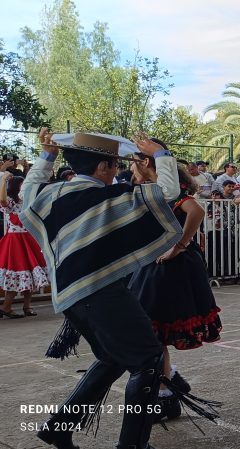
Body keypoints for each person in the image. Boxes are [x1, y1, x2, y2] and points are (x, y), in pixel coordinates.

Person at [25, 130, 189, 449]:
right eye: (113, 165)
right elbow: (168, 190)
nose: (116, 170)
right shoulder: (109, 198)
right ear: (102, 167)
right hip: (101, 293)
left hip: (70, 297)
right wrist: (161, 155)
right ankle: (133, 446)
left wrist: (46, 157)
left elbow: (29, 189)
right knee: (149, 361)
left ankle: (59, 427)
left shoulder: (49, 195)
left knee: (114, 358)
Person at [127, 149, 222, 422]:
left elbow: (196, 210)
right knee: (151, 333)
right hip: (157, 265)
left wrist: (179, 246)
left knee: (152, 332)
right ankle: (171, 379)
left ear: (146, 164)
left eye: (134, 165)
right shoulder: (154, 192)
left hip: (168, 269)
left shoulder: (169, 194)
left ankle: (166, 394)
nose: (132, 171)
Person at [0, 171, 48, 319]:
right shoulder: (11, 201)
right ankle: (6, 307)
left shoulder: (27, 200)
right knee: (17, 272)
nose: (24, 188)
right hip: (15, 240)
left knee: (31, 274)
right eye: (22, 186)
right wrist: (3, 180)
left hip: (28, 238)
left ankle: (27, 306)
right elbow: (2, 201)